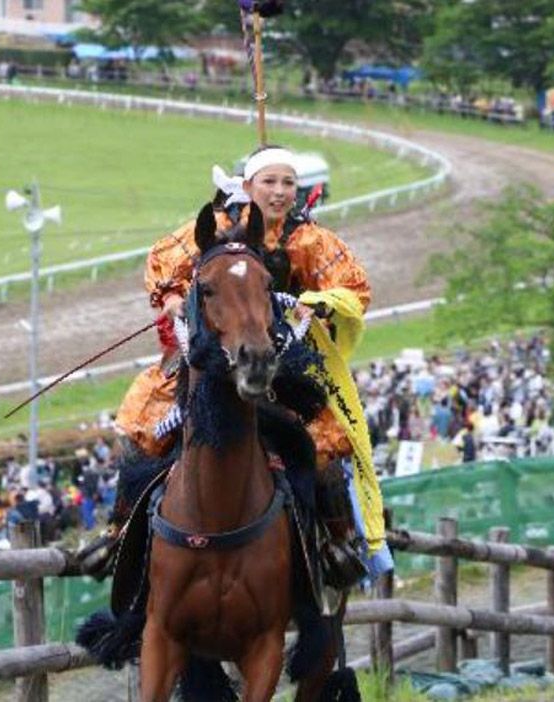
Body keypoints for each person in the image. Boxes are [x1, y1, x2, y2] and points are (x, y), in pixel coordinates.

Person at [112, 145, 374, 583]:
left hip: (280, 353)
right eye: (269, 182)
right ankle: (118, 533)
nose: (279, 192)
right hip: (211, 351)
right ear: (248, 186)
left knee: (326, 436)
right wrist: (173, 297)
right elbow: (163, 262)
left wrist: (320, 303)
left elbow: (352, 287)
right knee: (143, 417)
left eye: (287, 183)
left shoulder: (309, 238)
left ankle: (336, 542)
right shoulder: (216, 226)